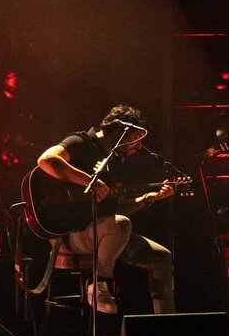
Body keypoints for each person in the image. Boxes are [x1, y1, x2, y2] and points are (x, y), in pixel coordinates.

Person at [36, 104, 175, 314]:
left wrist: (147, 199)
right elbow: (46, 160)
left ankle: (167, 325)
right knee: (121, 225)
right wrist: (89, 181)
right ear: (120, 131)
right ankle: (98, 284)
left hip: (103, 232)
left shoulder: (116, 162)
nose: (139, 147)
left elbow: (114, 213)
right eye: (136, 138)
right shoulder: (81, 142)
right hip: (70, 232)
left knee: (161, 258)